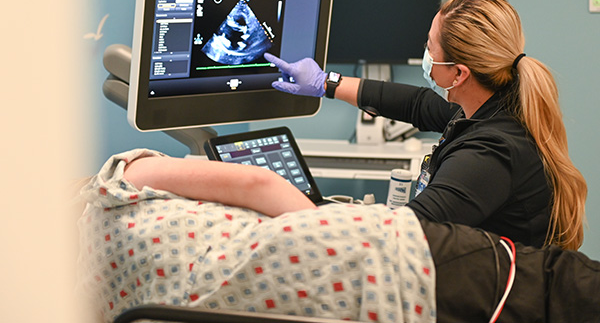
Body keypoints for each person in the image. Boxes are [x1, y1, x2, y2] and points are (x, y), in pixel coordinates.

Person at [81, 149, 600, 323]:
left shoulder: (74, 298)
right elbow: (255, 181)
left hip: (327, 309)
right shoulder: (114, 181)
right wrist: (325, 223)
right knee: (560, 290)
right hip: (365, 254)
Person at [263, 0, 587, 250]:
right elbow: (417, 103)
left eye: (430, 46)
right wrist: (326, 83)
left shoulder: (490, 154)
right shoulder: (494, 105)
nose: (426, 52)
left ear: (459, 74)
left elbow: (403, 235)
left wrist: (307, 217)